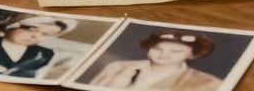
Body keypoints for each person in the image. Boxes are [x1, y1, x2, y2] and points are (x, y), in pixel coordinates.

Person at [89, 31, 221, 90]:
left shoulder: (208, 82)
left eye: (175, 51)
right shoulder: (117, 67)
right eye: (158, 48)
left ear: (193, 54)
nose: (164, 54)